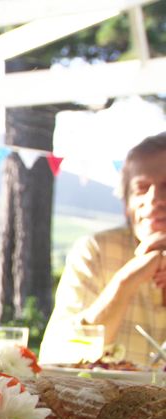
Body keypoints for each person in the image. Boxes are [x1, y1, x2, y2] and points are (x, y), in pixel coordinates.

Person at [40, 132, 166, 366]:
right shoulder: (94, 250)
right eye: (141, 188)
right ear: (126, 204)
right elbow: (59, 357)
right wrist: (127, 281)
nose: (154, 199)